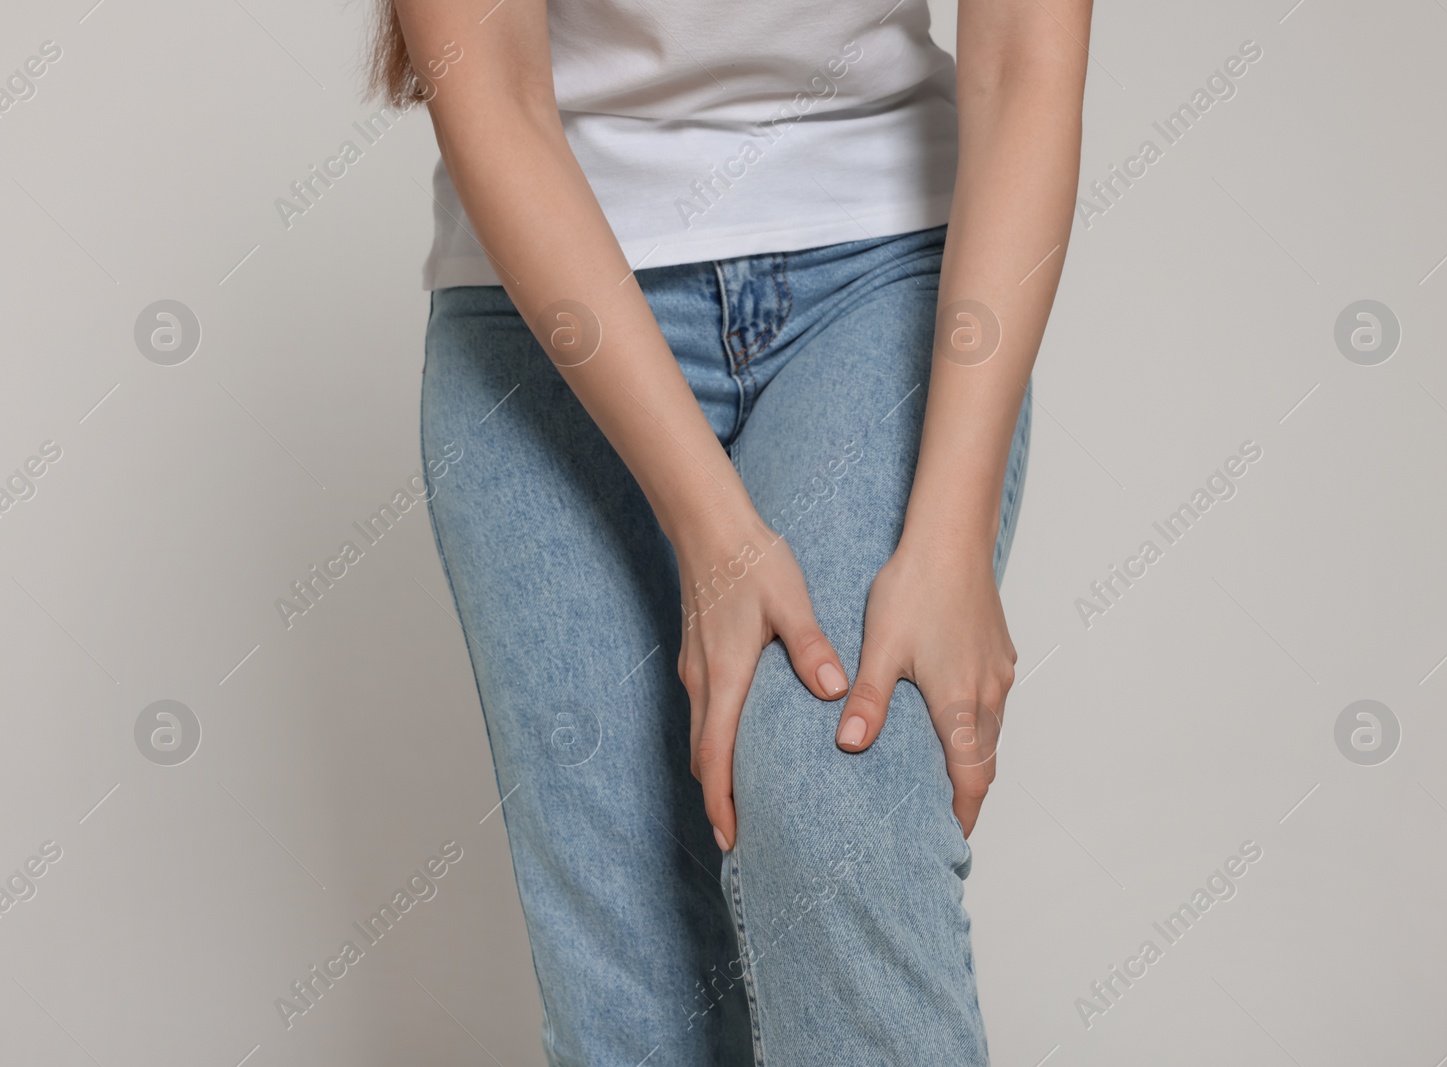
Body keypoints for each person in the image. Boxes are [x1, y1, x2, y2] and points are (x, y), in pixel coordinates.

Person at [370, 0, 1089, 1061]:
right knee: (635, 1002)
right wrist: (713, 530)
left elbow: (1027, 57)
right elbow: (494, 95)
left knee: (832, 801)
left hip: (879, 268)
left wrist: (949, 536)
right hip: (543, 309)